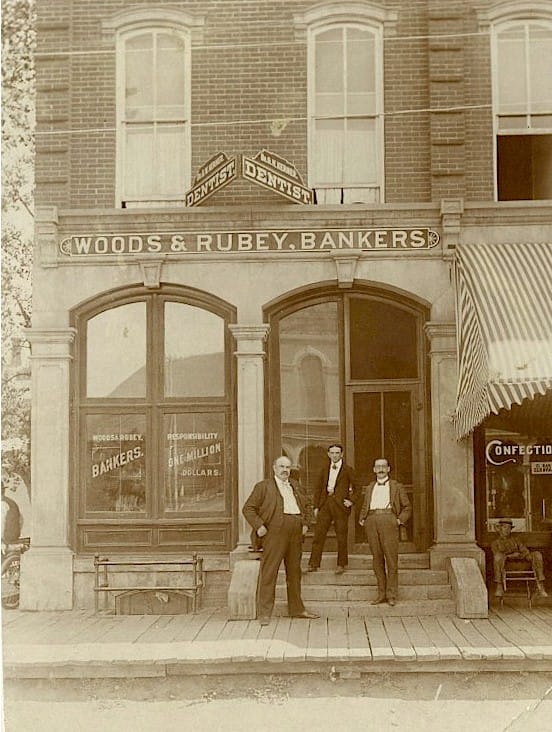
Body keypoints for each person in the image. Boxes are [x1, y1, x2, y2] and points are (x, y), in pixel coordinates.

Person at [243, 455, 320, 625]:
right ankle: (265, 613)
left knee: (294, 572)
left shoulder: (296, 485)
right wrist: (259, 526)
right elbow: (248, 508)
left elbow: (308, 505)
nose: (285, 470)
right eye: (282, 467)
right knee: (269, 572)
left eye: (287, 467)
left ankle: (297, 609)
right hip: (274, 533)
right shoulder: (263, 487)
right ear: (274, 468)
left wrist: (306, 524)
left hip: (295, 533)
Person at [358, 458, 411, 606]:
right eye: (378, 467)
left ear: (388, 469)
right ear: (374, 470)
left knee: (391, 559)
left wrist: (399, 520)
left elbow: (407, 507)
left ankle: (391, 594)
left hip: (389, 519)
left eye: (383, 466)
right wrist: (362, 518)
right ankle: (381, 593)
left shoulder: (397, 486)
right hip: (372, 520)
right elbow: (365, 504)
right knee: (377, 559)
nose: (380, 469)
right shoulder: (370, 487)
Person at [307, 443, 360, 574]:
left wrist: (351, 501)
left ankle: (341, 564)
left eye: (337, 453)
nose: (335, 455)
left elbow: (358, 488)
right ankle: (313, 564)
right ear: (328, 454)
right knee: (319, 535)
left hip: (340, 506)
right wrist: (316, 506)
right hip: (325, 505)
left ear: (342, 454)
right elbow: (318, 488)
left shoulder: (348, 470)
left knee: (341, 536)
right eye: (332, 453)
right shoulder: (324, 469)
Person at [491, 518, 548, 598]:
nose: (507, 530)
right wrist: (510, 556)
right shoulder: (495, 543)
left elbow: (525, 552)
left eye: (509, 528)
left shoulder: (516, 540)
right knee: (498, 557)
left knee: (537, 554)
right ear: (500, 528)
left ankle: (540, 587)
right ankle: (499, 586)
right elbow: (497, 555)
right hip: (505, 566)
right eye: (505, 527)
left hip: (521, 565)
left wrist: (519, 555)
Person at [1, 479, 22, 553]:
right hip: (14, 538)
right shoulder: (11, 502)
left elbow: (1, 524)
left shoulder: (2, 504)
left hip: (6, 541)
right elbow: (21, 520)